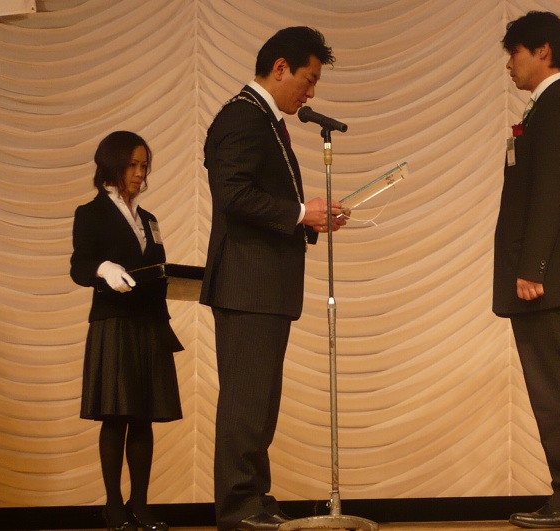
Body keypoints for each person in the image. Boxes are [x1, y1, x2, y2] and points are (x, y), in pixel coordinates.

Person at [200, 26, 346, 531]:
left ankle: (255, 499)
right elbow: (233, 195)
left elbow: (260, 200)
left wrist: (308, 218)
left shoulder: (262, 118)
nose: (311, 93)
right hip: (247, 284)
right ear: (280, 68)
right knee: (246, 401)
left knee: (260, 403)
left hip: (263, 284)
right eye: (309, 79)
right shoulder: (242, 117)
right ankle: (239, 507)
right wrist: (302, 212)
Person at [492, 11, 560, 529]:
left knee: (559, 390)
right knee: (552, 390)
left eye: (514, 52)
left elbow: (550, 191)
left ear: (544, 51)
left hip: (548, 281)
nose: (509, 64)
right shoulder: (548, 107)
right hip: (546, 279)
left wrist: (533, 267)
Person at [71, 131, 182, 531]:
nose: (140, 173)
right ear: (112, 165)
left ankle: (140, 504)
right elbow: (79, 266)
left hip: (148, 323)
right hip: (114, 323)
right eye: (133, 165)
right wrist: (103, 268)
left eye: (144, 165)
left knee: (144, 416)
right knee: (116, 416)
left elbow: (157, 270)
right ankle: (114, 506)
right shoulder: (91, 212)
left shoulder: (148, 219)